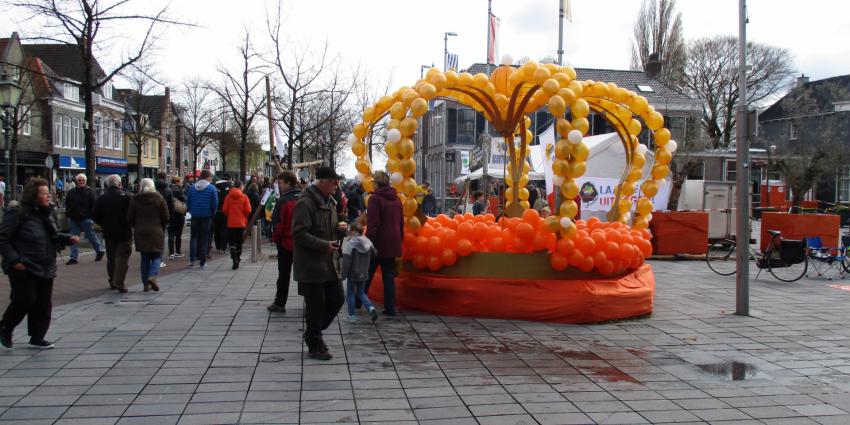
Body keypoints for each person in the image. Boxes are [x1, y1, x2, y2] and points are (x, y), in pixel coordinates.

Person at [0, 178, 78, 349]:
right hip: (23, 265)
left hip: (45, 263)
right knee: (24, 299)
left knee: (43, 304)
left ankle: (37, 336)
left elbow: (53, 235)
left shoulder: (47, 213)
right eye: (44, 193)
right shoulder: (18, 213)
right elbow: (3, 239)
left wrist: (67, 239)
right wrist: (14, 260)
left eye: (48, 193)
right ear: (33, 195)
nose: (48, 196)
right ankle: (5, 327)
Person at [291, 166, 348, 360]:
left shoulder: (330, 201)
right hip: (311, 264)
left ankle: (312, 332)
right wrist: (324, 245)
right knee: (316, 306)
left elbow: (330, 228)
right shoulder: (306, 203)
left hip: (329, 263)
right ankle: (315, 344)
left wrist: (340, 230)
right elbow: (299, 234)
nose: (336, 185)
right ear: (322, 182)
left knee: (338, 299)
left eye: (337, 182)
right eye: (333, 182)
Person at [364, 171, 404, 316]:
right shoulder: (397, 199)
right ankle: (390, 307)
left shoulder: (375, 199)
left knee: (366, 274)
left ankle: (357, 301)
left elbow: (373, 223)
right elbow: (401, 223)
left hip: (378, 243)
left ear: (377, 183)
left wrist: (368, 241)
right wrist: (400, 240)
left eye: (373, 182)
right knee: (388, 277)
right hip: (393, 242)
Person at [92, 174, 132, 293]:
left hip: (108, 232)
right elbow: (132, 213)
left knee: (111, 257)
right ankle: (119, 281)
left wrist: (104, 224)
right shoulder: (127, 197)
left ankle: (112, 280)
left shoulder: (101, 198)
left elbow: (95, 215)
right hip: (124, 231)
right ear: (119, 184)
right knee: (122, 257)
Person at [127, 178, 169, 292]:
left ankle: (145, 285)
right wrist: (161, 226)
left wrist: (136, 226)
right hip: (156, 230)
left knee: (144, 258)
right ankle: (152, 275)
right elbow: (166, 216)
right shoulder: (159, 198)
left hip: (140, 231)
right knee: (157, 255)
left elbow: (129, 217)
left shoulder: (135, 199)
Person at [268, 171, 300, 313]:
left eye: (280, 183)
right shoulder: (304, 198)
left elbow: (279, 224)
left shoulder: (283, 201)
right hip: (303, 243)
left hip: (286, 243)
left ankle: (280, 303)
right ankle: (310, 302)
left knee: (284, 274)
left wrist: (276, 239)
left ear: (288, 183)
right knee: (305, 274)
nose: (279, 186)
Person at [342, 221, 378, 323]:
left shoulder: (351, 244)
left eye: (350, 230)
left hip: (353, 273)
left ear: (354, 231)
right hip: (364, 272)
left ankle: (351, 316)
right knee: (361, 292)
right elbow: (375, 253)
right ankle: (371, 308)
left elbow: (346, 261)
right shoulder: (368, 242)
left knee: (350, 293)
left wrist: (343, 275)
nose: (349, 232)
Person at [65, 173, 104, 265]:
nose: (81, 182)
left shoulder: (90, 192)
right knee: (73, 238)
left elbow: (94, 205)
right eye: (79, 180)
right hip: (73, 218)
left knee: (91, 236)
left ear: (86, 181)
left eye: (83, 180)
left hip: (86, 219)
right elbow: (67, 203)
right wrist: (68, 213)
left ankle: (99, 251)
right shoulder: (71, 192)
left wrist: (91, 216)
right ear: (76, 181)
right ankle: (73, 258)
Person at [186, 170, 218, 269]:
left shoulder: (192, 188)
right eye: (210, 177)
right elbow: (215, 203)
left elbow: (188, 202)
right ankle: (202, 262)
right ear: (208, 177)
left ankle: (191, 260)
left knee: (193, 237)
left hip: (195, 215)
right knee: (204, 238)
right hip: (206, 216)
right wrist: (213, 213)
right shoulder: (212, 188)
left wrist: (191, 211)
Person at [221, 179, 251, 270]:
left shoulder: (228, 196)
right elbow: (248, 210)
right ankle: (237, 257)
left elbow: (224, 210)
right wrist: (244, 216)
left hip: (231, 223)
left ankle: (234, 257)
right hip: (241, 223)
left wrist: (229, 215)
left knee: (231, 242)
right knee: (239, 242)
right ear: (241, 186)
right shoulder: (244, 197)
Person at [154, 172, 174, 268]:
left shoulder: (152, 188)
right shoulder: (168, 190)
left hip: (152, 217)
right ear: (165, 178)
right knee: (161, 238)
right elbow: (171, 205)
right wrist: (169, 217)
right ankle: (159, 259)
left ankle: (152, 258)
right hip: (163, 217)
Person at [168, 176, 187, 260]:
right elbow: (184, 199)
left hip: (170, 214)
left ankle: (171, 253)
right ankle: (178, 252)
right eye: (180, 181)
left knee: (171, 234)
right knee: (179, 234)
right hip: (179, 214)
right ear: (177, 182)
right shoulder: (180, 190)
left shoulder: (168, 189)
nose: (181, 183)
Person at [213, 175, 232, 254]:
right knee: (224, 229)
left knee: (216, 229)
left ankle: (218, 246)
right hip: (225, 211)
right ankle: (223, 247)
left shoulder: (214, 187)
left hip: (216, 211)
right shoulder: (229, 187)